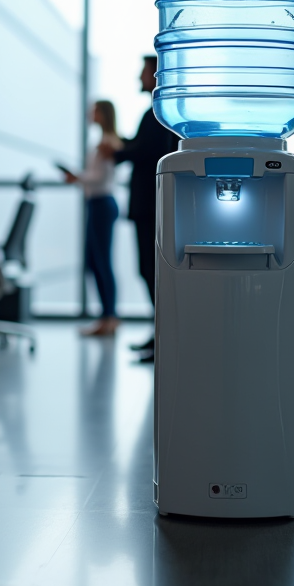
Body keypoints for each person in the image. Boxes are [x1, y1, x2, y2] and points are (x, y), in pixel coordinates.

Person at [102, 55, 178, 362]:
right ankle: (160, 335)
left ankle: (165, 338)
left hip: (150, 206)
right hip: (151, 206)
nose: (138, 78)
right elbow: (140, 146)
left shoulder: (159, 115)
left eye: (143, 72)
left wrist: (120, 150)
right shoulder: (158, 115)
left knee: (151, 271)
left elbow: (145, 152)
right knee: (148, 271)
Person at [64, 101, 122, 337]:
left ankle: (110, 317)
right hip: (96, 204)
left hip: (102, 204)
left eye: (95, 110)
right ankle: (106, 315)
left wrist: (78, 177)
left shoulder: (108, 143)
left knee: (102, 262)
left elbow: (100, 177)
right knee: (94, 262)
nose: (90, 114)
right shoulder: (102, 141)